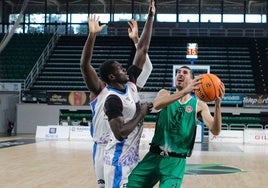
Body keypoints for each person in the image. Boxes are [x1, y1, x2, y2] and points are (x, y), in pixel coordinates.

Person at [80, 1, 155, 187]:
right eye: (120, 68)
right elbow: (84, 65)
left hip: (127, 146)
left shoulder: (130, 83)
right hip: (105, 147)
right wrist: (92, 36)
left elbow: (143, 50)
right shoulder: (100, 90)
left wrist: (151, 17)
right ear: (111, 76)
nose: (124, 68)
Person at [127, 66, 225, 188]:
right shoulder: (164, 93)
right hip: (154, 156)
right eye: (178, 72)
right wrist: (184, 91)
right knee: (131, 184)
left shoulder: (199, 105)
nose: (180, 74)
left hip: (175, 162)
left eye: (185, 73)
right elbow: (157, 105)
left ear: (193, 81)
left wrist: (217, 105)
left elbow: (215, 130)